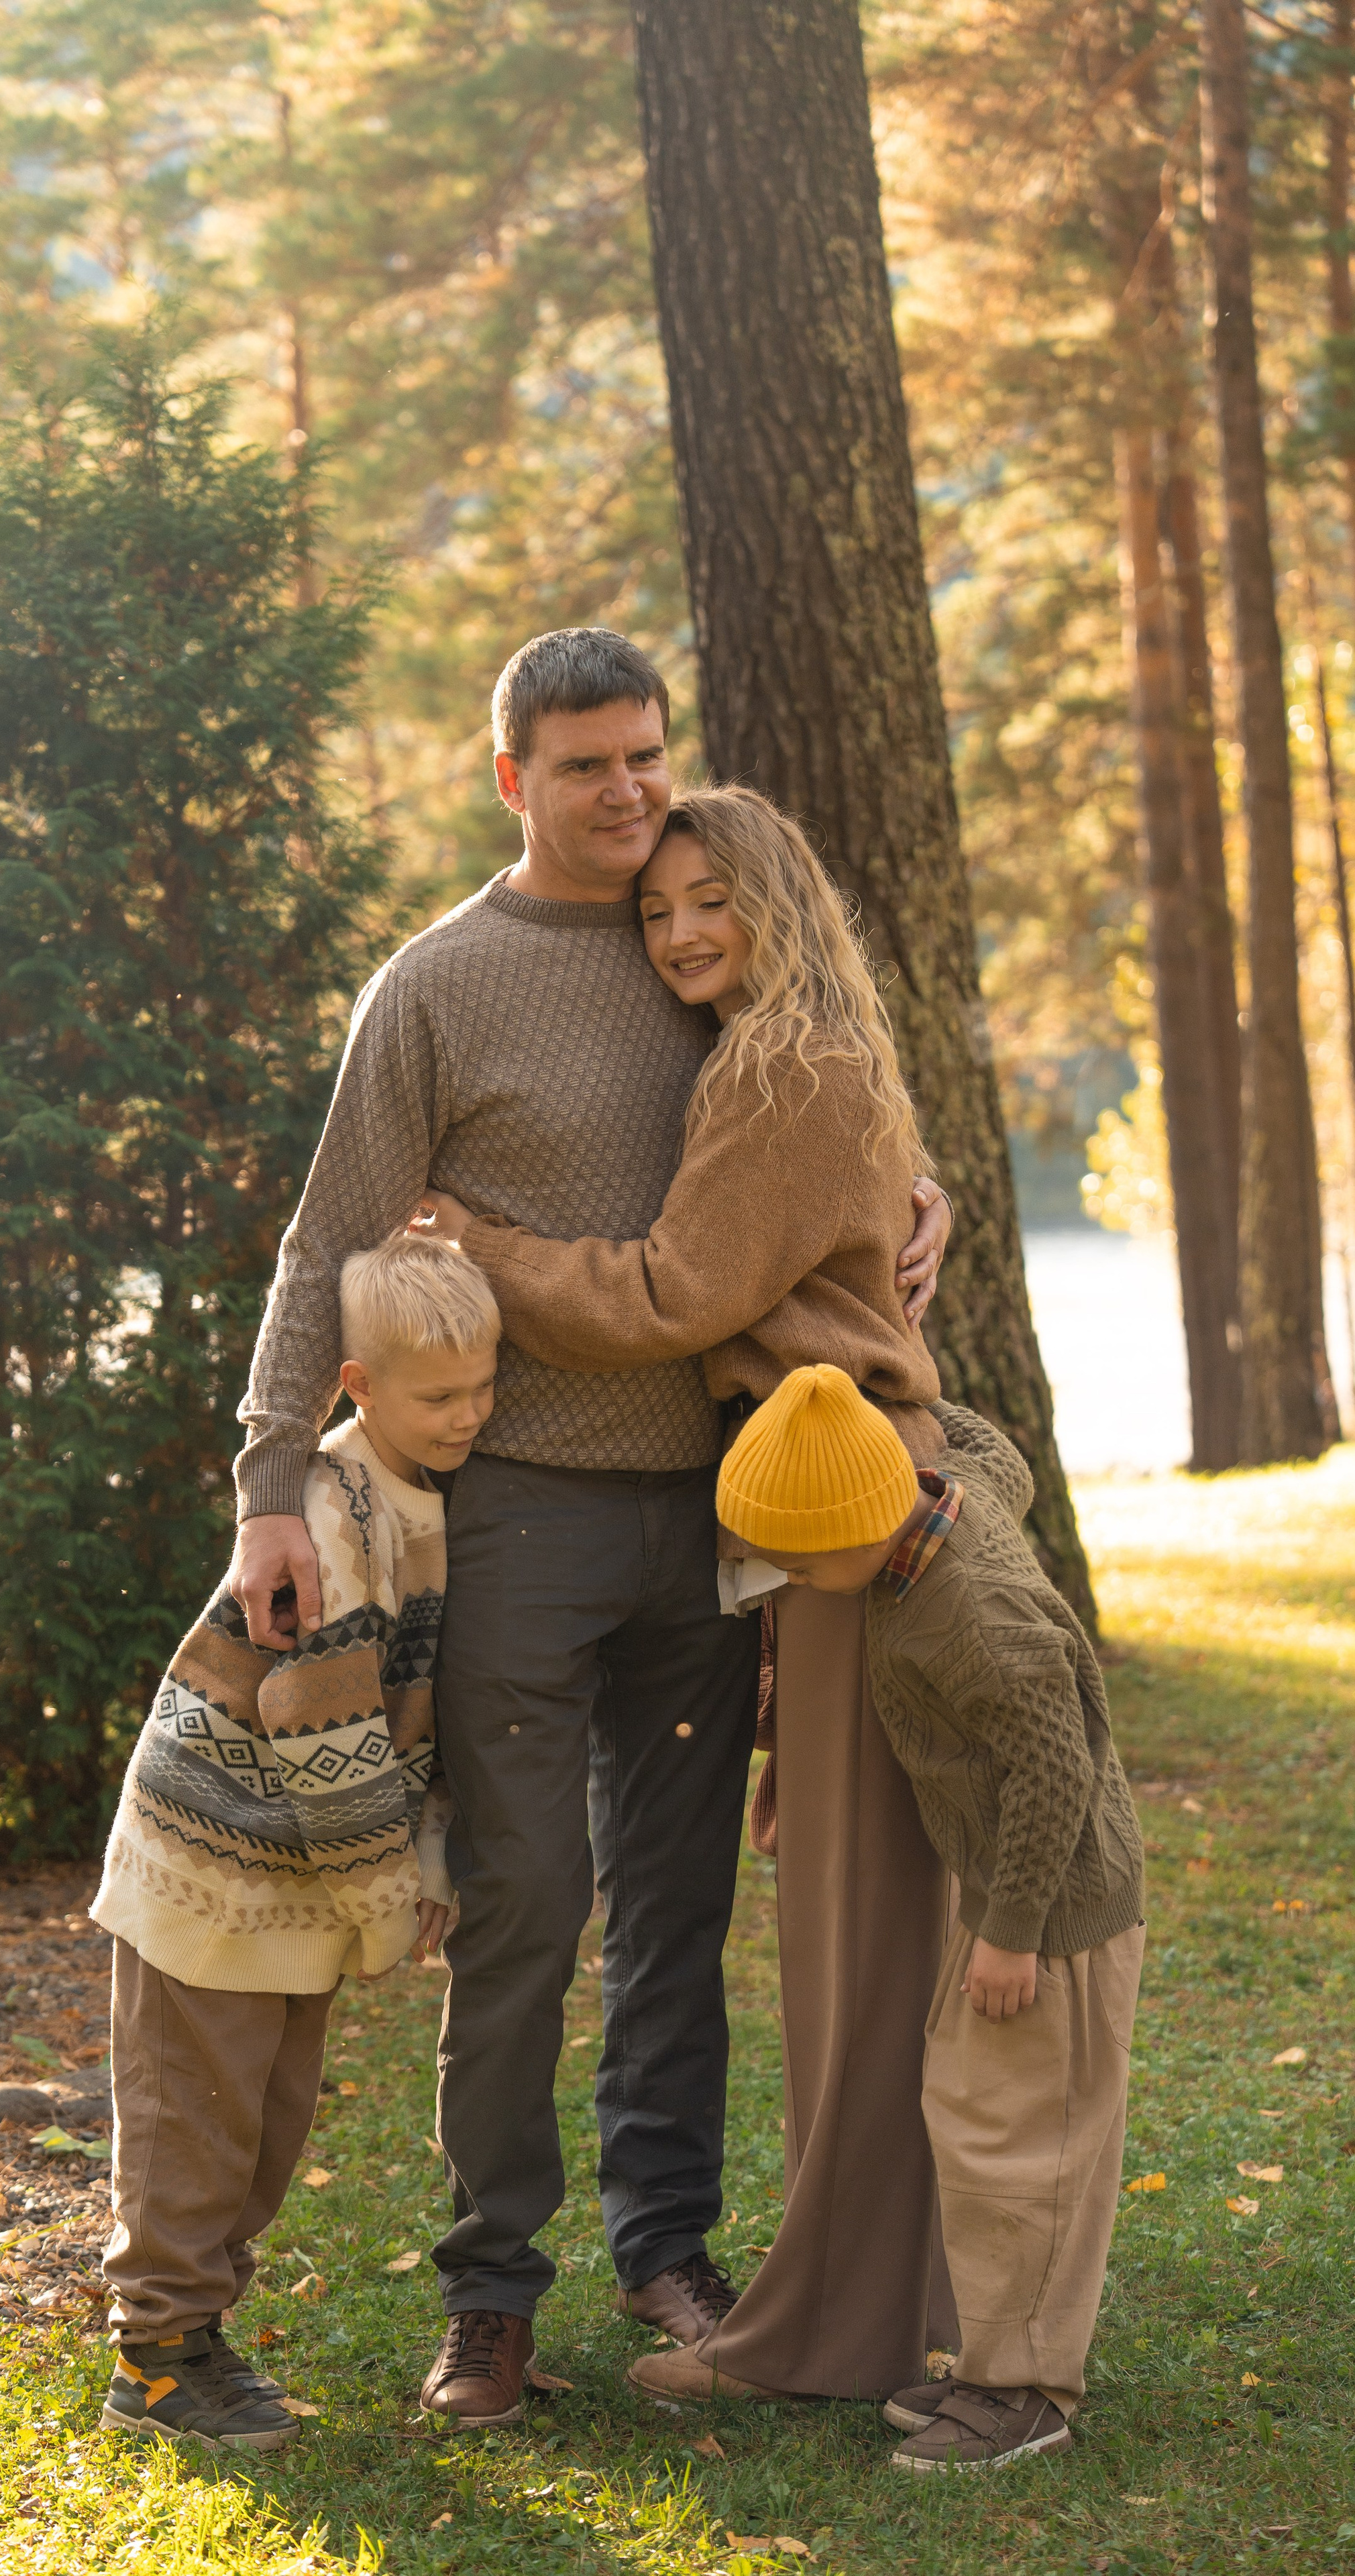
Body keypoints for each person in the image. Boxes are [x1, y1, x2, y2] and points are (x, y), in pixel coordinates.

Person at [227, 629, 953, 2426]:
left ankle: (669, 2249)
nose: (627, 793)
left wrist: (911, 1185)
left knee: (681, 1911)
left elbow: (820, 1110)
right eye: (583, 766)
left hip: (715, 1522)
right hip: (529, 1522)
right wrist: (265, 1477)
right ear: (512, 781)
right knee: (530, 1905)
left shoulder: (705, 940)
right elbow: (329, 1244)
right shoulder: (438, 988)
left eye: (645, 754)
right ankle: (487, 2304)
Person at [417, 782, 961, 2397]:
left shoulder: (778, 1063)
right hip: (736, 1508)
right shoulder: (784, 1045)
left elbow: (672, 1292)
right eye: (657, 910)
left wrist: (482, 1244)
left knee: (784, 1926)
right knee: (661, 1918)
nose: (679, 931)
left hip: (806, 1511)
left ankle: (780, 2296)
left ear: (775, 892)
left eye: (708, 897)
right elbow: (862, 1221)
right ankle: (547, 2298)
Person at [631, 1364, 1146, 2473]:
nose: (801, 1582)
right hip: (1008, 1889)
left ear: (868, 1521)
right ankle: (992, 2364)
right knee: (971, 2110)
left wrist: (1011, 1930)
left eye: (806, 1564)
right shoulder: (947, 1494)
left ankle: (1026, 2393)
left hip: (1052, 1908)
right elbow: (987, 1444)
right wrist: (893, 1394)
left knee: (1023, 2143)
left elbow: (1057, 1766)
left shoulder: (976, 1615)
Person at [89, 1234, 495, 2457]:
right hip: (211, 1865)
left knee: (267, 2122)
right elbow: (320, 1721)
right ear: (359, 1384)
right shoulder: (330, 1502)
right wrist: (388, 1898)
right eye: (440, 1397)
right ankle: (156, 2358)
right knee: (194, 2117)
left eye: (484, 1388)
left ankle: (199, 2335)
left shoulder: (432, 1487)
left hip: (298, 1882)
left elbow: (420, 1709)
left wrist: (416, 1866)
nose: (470, 1415)